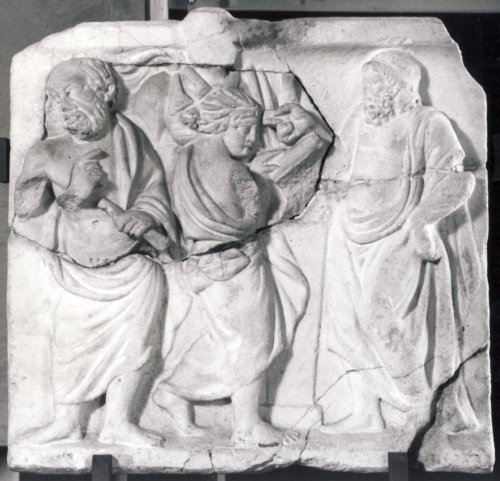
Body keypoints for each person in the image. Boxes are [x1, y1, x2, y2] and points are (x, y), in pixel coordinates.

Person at [152, 82, 331, 446]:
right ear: (220, 123)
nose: (252, 138)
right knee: (253, 342)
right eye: (244, 128)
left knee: (227, 340)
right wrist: (312, 139)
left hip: (208, 265)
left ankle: (172, 391)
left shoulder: (187, 158)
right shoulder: (232, 171)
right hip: (235, 263)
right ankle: (246, 425)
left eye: (254, 129)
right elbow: (258, 214)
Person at [14, 58, 177, 446]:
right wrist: (76, 192)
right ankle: (66, 423)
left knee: (137, 346)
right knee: (70, 346)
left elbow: (154, 190)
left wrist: (145, 216)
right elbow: (23, 209)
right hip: (77, 272)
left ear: (104, 91)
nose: (63, 106)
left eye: (70, 93)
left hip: (133, 267)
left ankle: (118, 422)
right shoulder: (47, 152)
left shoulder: (130, 140)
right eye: (55, 98)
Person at [321, 49, 481, 433]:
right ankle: (366, 412)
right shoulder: (359, 119)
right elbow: (339, 168)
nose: (368, 88)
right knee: (345, 325)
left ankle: (418, 402)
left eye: (376, 80)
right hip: (348, 232)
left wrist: (423, 222)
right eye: (366, 80)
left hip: (400, 230)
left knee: (379, 318)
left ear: (399, 85)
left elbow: (459, 181)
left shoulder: (429, 123)